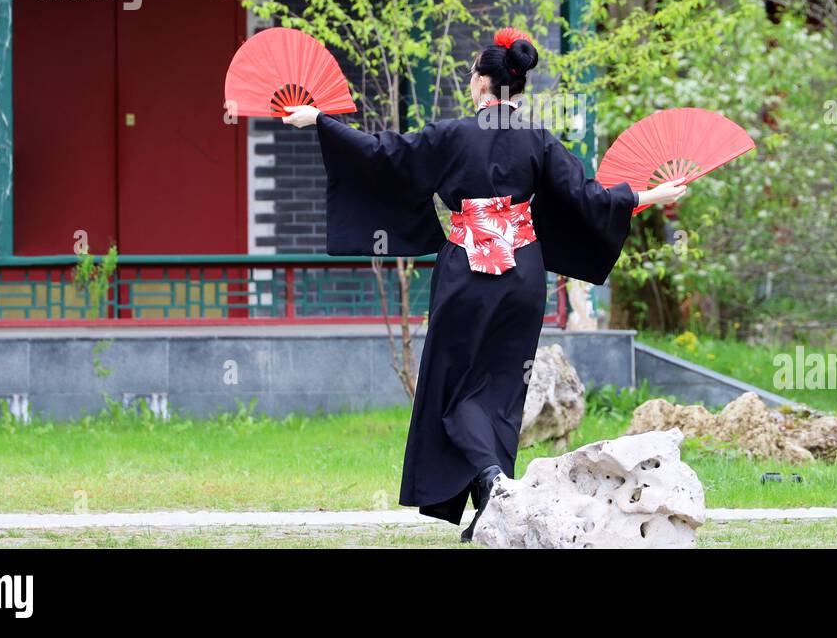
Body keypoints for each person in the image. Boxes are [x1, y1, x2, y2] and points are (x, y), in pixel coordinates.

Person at [281, 28, 687, 542]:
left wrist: (320, 119)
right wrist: (652, 193)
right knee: (501, 390)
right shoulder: (537, 138)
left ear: (479, 83)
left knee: (450, 390)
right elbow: (588, 198)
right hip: (522, 276)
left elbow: (383, 154)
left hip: (467, 273)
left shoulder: (451, 135)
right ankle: (492, 509)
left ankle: (493, 481)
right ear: (516, 90)